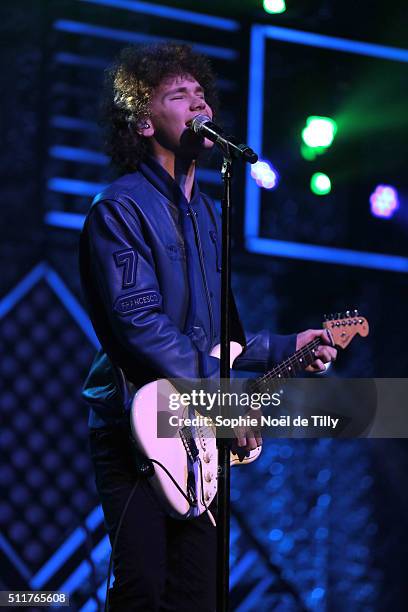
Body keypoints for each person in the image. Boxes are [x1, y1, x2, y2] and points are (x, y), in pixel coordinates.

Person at [79, 42, 337, 612]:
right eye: (179, 95)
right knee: (142, 587)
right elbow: (140, 324)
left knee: (200, 595)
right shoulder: (119, 208)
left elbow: (218, 339)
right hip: (136, 422)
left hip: (198, 431)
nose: (198, 103)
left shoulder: (211, 216)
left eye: (201, 94)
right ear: (144, 122)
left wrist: (286, 347)